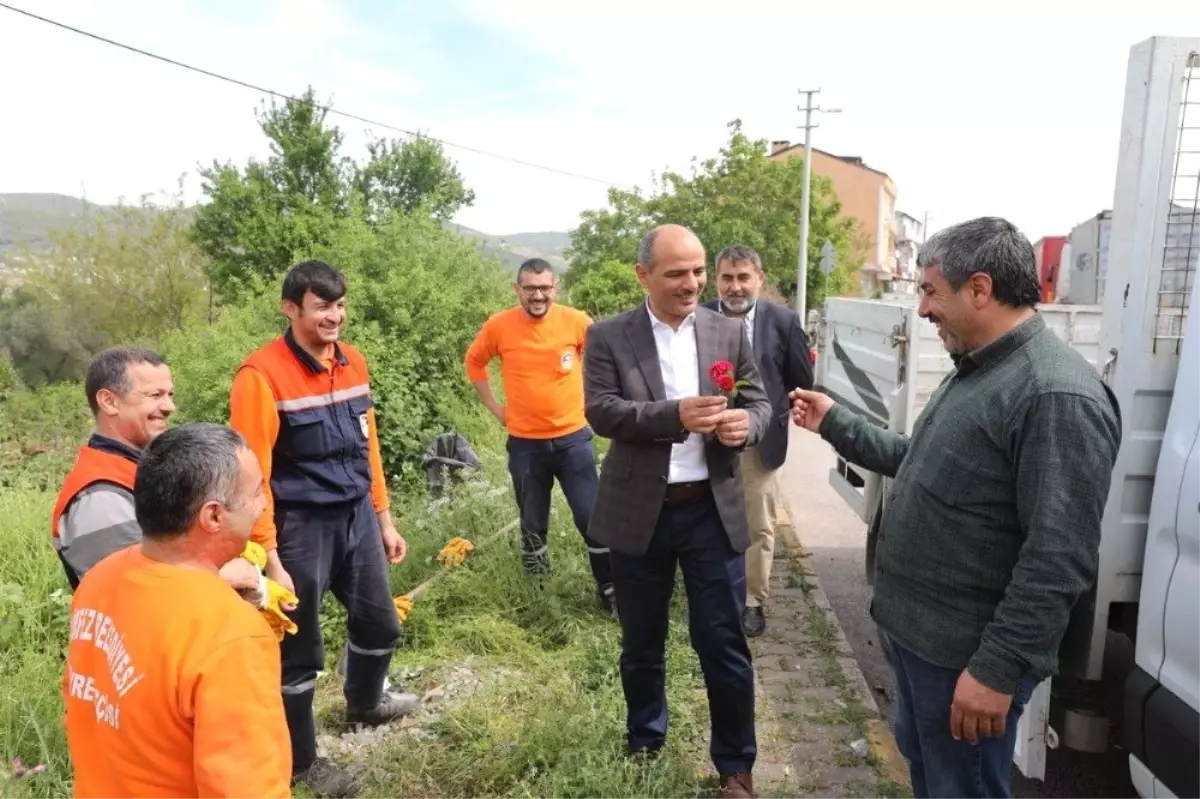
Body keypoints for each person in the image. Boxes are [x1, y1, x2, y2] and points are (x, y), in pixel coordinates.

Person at [790, 217, 1121, 799]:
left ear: (980, 289)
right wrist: (834, 422)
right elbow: (919, 462)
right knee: (932, 778)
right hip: (923, 648)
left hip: (965, 664)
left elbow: (1058, 558)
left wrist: (996, 669)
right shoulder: (977, 368)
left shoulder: (1053, 395)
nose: (920, 310)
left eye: (929, 292)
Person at [583, 224, 771, 799]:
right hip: (640, 512)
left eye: (697, 271)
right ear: (643, 275)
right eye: (677, 274)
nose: (692, 284)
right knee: (642, 642)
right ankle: (645, 742)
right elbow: (603, 412)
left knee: (723, 642)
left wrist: (747, 424)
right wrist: (674, 416)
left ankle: (735, 766)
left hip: (711, 514)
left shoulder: (727, 329)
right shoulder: (609, 335)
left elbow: (758, 399)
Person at [228, 259, 418, 797]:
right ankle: (300, 763)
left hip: (356, 514)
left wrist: (383, 518)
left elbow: (368, 447)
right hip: (298, 527)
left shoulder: (352, 362)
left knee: (381, 623)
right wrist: (272, 556)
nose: (334, 317)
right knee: (298, 649)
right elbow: (251, 475)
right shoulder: (260, 376)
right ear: (291, 309)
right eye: (321, 308)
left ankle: (366, 702)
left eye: (339, 305)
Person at [62, 422, 291, 797]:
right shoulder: (229, 634)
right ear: (213, 516)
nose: (264, 504)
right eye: (257, 492)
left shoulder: (99, 580)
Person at [464, 257, 615, 613]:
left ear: (555, 288)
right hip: (525, 444)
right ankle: (539, 593)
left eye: (544, 288)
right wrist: (496, 408)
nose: (538, 295)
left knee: (591, 517)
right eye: (530, 288)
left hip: (573, 439)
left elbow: (601, 362)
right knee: (533, 522)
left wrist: (595, 403)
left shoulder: (577, 322)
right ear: (517, 289)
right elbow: (474, 362)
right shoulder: (499, 326)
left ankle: (609, 588)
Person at [50, 347, 260, 596]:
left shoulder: (146, 467)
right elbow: (133, 592)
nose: (169, 406)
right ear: (109, 401)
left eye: (170, 394)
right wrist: (221, 575)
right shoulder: (99, 497)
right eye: (155, 395)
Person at [703, 245, 814, 637]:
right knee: (708, 520)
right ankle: (713, 593)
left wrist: (764, 416)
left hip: (759, 442)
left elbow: (800, 380)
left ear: (759, 279)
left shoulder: (783, 322)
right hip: (706, 440)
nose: (735, 287)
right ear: (716, 280)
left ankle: (753, 600)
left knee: (758, 524)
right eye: (727, 278)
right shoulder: (698, 320)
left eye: (743, 277)